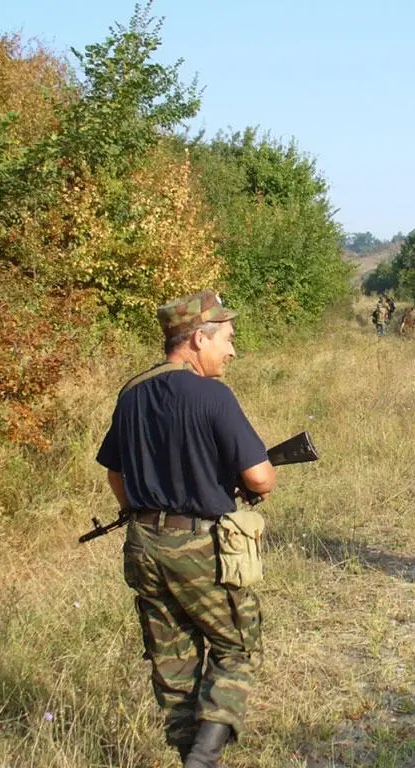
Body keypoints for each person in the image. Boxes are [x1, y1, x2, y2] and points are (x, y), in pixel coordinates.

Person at [96, 289, 277, 767]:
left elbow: (115, 472)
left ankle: (192, 759)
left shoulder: (131, 393)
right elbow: (260, 477)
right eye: (228, 339)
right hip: (199, 546)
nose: (233, 350)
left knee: (172, 664)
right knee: (236, 647)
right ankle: (204, 756)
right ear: (199, 339)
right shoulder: (212, 395)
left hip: (142, 545)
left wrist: (141, 512)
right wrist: (257, 482)